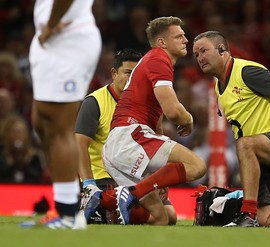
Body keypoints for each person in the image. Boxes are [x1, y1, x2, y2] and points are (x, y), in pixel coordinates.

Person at [193, 31, 270, 227]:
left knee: (245, 144)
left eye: (204, 51)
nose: (200, 57)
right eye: (196, 54)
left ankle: (246, 214)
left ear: (222, 50)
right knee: (264, 219)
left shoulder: (246, 71)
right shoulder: (218, 85)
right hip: (262, 151)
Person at [100, 16, 207, 225]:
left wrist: (159, 177)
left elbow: (157, 124)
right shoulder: (159, 59)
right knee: (197, 166)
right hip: (129, 136)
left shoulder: (152, 61)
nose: (186, 40)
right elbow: (173, 111)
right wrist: (189, 119)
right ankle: (114, 197)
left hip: (120, 144)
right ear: (162, 42)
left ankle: (104, 205)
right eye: (179, 36)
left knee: (162, 218)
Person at [75, 48, 177, 225]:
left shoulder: (150, 103)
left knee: (170, 216)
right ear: (114, 73)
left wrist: (159, 180)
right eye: (128, 73)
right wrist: (89, 185)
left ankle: (113, 214)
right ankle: (101, 207)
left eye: (136, 75)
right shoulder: (95, 102)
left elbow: (157, 144)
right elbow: (79, 145)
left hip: (138, 178)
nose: (132, 79)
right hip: (105, 179)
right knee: (158, 218)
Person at [28, 0, 101, 229]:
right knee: (41, 122)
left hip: (66, 37)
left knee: (60, 128)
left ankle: (68, 213)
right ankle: (61, 208)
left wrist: (51, 24)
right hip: (52, 39)